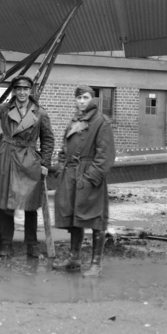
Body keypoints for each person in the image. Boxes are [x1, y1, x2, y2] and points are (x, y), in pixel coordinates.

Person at [0, 74, 55, 257]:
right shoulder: (6, 109)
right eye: (18, 89)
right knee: (7, 205)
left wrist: (45, 163)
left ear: (30, 91)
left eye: (25, 89)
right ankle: (6, 244)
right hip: (7, 159)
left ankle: (32, 245)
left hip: (29, 160)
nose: (22, 93)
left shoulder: (40, 113)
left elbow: (48, 139)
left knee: (31, 205)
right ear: (14, 91)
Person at [52, 85, 116, 277]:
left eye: (85, 97)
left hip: (89, 176)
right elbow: (64, 148)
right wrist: (62, 167)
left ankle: (96, 264)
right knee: (74, 217)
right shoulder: (75, 120)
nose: (81, 101)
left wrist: (90, 178)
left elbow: (105, 157)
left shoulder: (100, 122)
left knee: (96, 219)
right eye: (79, 98)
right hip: (71, 175)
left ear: (93, 99)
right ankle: (74, 259)